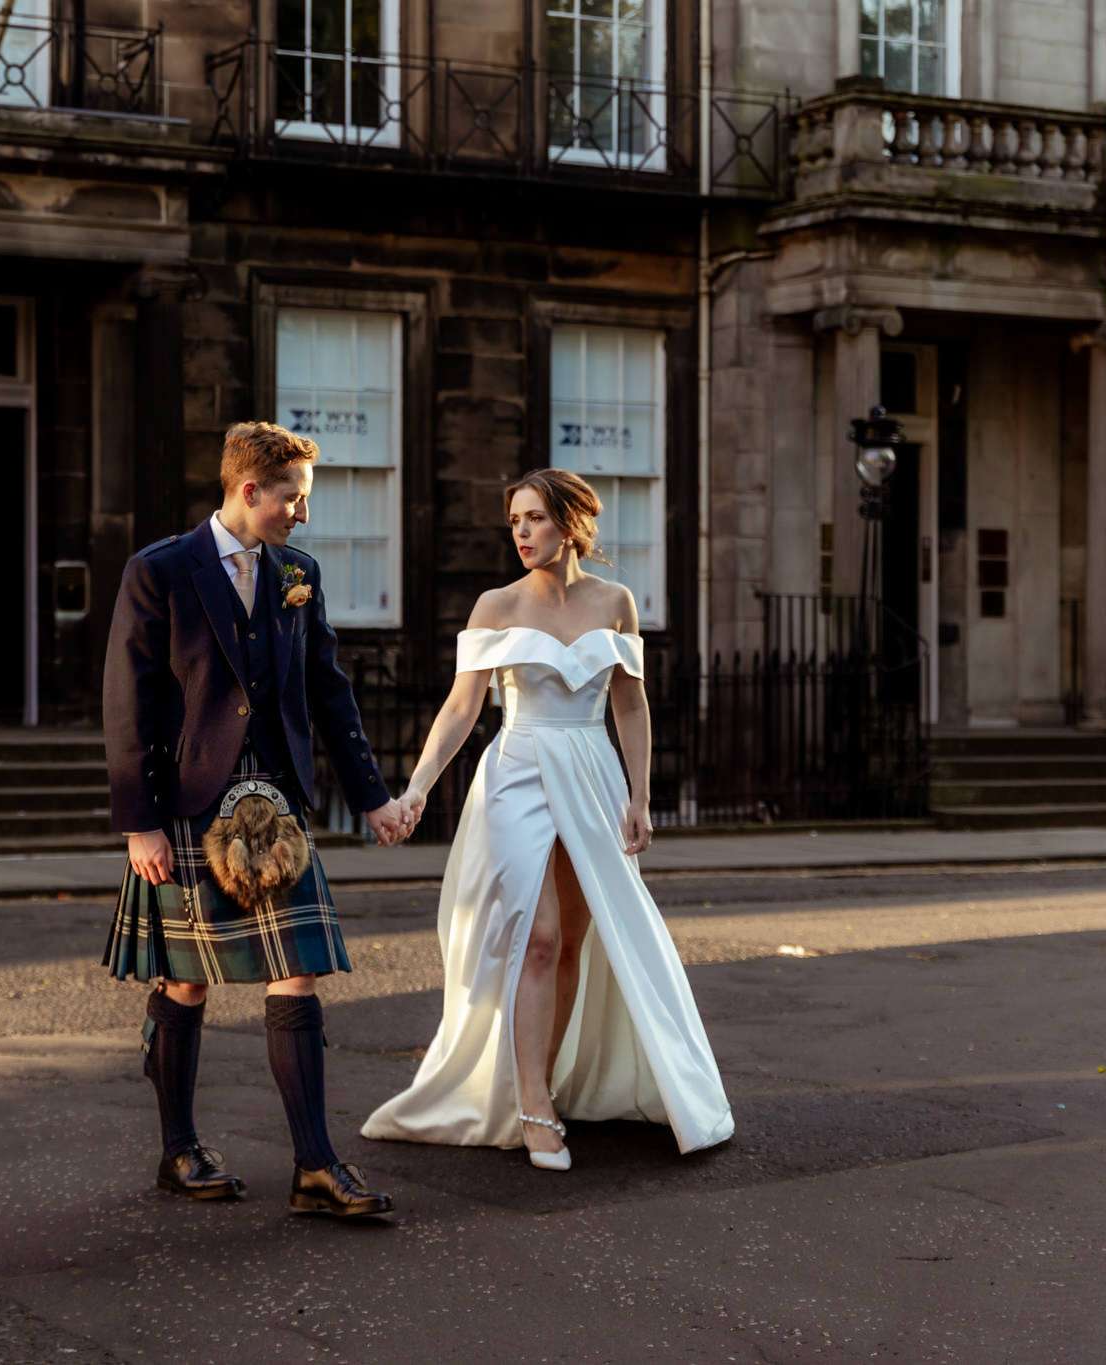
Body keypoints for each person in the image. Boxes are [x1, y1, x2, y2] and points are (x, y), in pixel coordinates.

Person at [361, 469, 734, 1170]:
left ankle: (550, 1081)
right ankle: (531, 1106)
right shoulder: (495, 605)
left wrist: (641, 796)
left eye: (534, 518)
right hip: (519, 770)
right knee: (539, 936)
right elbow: (462, 707)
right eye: (515, 521)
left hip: (591, 772)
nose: (522, 533)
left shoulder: (615, 601)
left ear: (569, 523)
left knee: (574, 944)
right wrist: (414, 789)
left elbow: (629, 704)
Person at [101, 420, 410, 1217]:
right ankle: (179, 1149)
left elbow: (329, 688)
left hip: (277, 807)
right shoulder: (160, 570)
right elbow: (127, 702)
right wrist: (140, 822)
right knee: (186, 979)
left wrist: (371, 794)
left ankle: (315, 1164)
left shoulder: (296, 572)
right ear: (250, 491)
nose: (301, 515)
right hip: (190, 805)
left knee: (297, 969)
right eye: (292, 499)